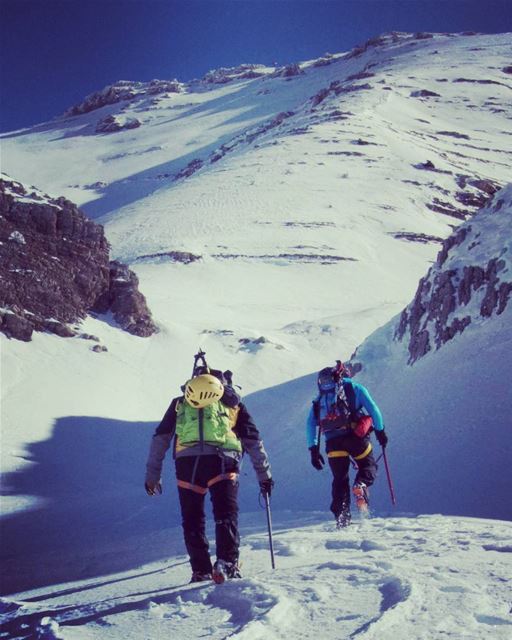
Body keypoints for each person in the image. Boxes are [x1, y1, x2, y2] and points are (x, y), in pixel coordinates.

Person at [145, 355, 273, 584]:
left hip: (188, 465)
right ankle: (227, 563)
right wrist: (264, 476)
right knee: (225, 515)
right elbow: (253, 440)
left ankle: (200, 570)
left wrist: (153, 475)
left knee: (193, 519)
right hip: (223, 461)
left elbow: (160, 439)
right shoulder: (233, 403)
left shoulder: (181, 402)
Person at [306, 361, 387, 528]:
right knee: (368, 465)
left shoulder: (319, 400)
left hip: (333, 444)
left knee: (340, 479)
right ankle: (361, 484)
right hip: (356, 438)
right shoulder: (355, 389)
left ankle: (341, 517)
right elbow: (374, 410)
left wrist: (313, 450)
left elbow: (310, 424)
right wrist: (380, 432)